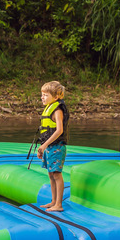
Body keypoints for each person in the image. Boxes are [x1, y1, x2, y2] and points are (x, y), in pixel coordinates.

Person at [36, 81, 69, 212]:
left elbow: (59, 130)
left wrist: (44, 145)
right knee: (51, 174)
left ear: (55, 97)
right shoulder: (49, 107)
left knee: (56, 174)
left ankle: (59, 205)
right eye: (42, 95)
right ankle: (53, 201)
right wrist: (42, 148)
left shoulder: (58, 110)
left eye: (45, 95)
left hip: (57, 147)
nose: (42, 97)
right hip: (49, 147)